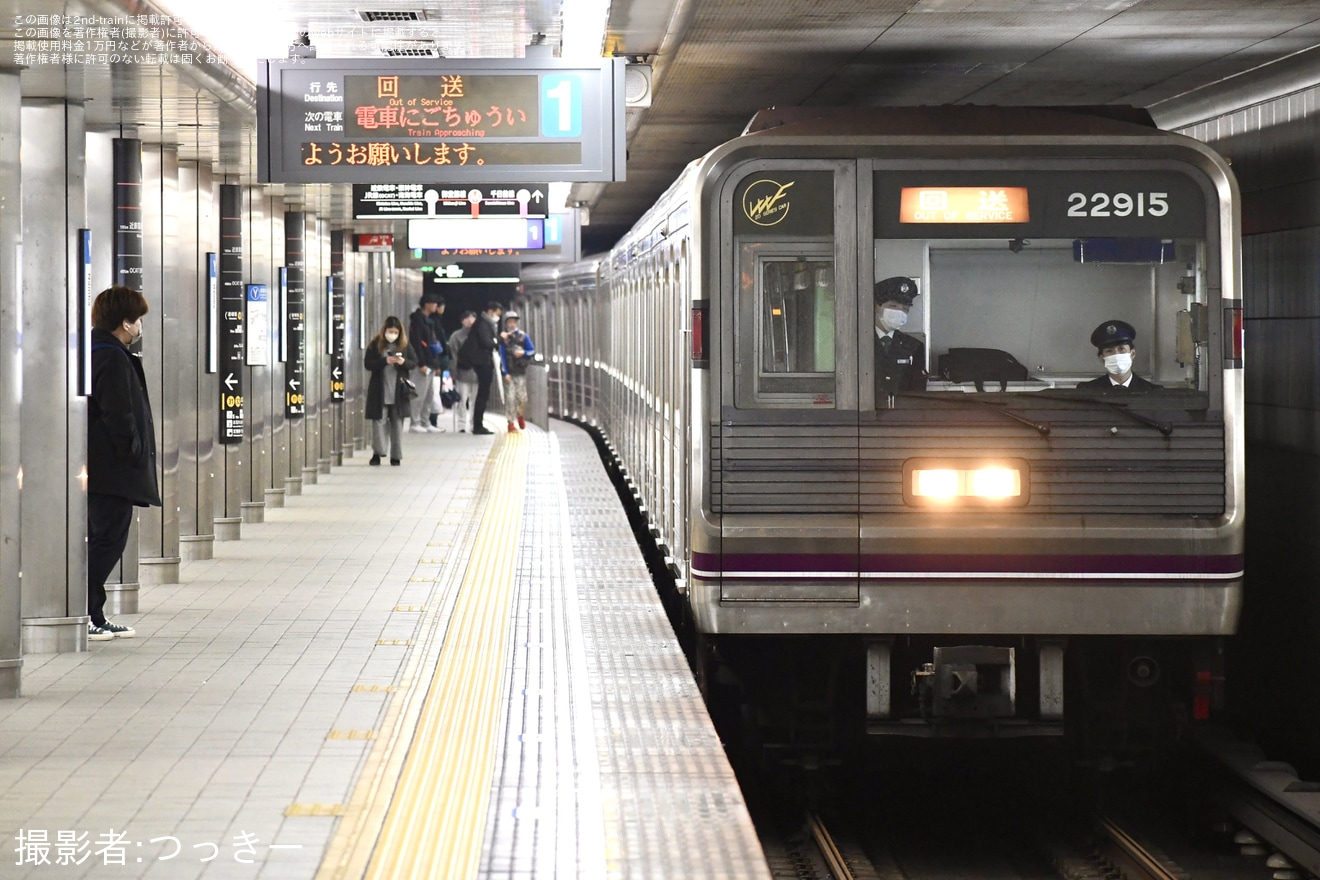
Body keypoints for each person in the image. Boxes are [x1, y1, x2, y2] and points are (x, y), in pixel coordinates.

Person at [87, 285, 161, 641]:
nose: (140, 327)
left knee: (107, 536)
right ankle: (85, 611)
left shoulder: (99, 350)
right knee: (108, 538)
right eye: (138, 320)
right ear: (126, 322)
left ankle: (93, 612)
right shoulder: (110, 356)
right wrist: (131, 452)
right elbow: (119, 411)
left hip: (102, 467)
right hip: (110, 469)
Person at [364, 316, 417, 465]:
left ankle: (396, 456)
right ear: (384, 330)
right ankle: (378, 453)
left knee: (397, 425)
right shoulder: (375, 345)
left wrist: (403, 362)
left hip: (398, 393)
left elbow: (414, 363)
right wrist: (384, 361)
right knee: (378, 423)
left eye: (395, 332)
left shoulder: (405, 346)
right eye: (390, 331)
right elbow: (368, 364)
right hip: (380, 391)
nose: (392, 334)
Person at [874, 275, 927, 405]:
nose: (900, 312)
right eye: (893, 306)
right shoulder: (859, 342)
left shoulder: (914, 346)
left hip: (902, 416)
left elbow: (918, 392)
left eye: (905, 308)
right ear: (877, 307)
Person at [1078, 320, 1163, 392]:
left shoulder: (1153, 391)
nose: (1116, 354)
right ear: (1102, 358)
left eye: (1121, 349)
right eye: (1109, 351)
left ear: (1132, 354)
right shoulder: (1088, 390)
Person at [458, 301, 502, 435]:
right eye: (497, 314)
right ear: (491, 311)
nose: (498, 317)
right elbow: (487, 342)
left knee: (482, 394)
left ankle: (478, 423)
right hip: (482, 363)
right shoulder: (483, 324)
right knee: (482, 394)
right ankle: (477, 425)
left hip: (482, 362)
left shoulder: (484, 323)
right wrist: (499, 339)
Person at [408, 293, 446, 433]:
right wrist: (421, 363)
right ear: (427, 304)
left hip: (430, 362)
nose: (436, 306)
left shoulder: (429, 321)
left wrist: (435, 365)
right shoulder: (417, 321)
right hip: (422, 364)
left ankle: (425, 421)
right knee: (419, 392)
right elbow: (417, 344)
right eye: (434, 303)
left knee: (429, 393)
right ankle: (415, 422)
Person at [499, 310, 536, 431]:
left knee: (522, 399)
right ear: (506, 323)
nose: (512, 324)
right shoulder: (503, 339)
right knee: (510, 398)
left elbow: (532, 351)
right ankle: (510, 422)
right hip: (509, 373)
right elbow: (501, 356)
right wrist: (505, 372)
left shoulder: (523, 336)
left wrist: (523, 353)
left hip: (520, 372)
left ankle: (520, 415)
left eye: (514, 322)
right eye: (509, 322)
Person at [447, 311, 479, 432]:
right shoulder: (456, 336)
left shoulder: (480, 335)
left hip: (477, 373)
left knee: (475, 400)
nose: (470, 321)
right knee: (461, 399)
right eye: (467, 319)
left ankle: (473, 423)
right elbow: (453, 355)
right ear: (462, 321)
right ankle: (461, 424)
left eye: (473, 319)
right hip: (462, 373)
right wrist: (453, 372)